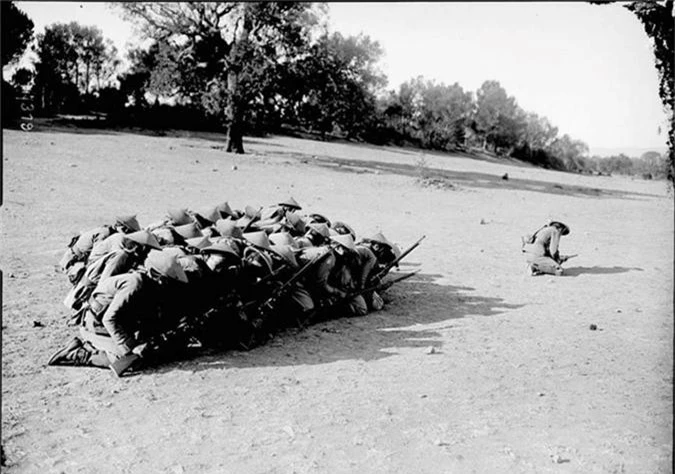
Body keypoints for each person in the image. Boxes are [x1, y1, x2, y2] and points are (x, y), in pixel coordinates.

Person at [48, 250, 188, 369]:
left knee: (151, 350)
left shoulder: (146, 283)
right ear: (156, 275)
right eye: (166, 280)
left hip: (110, 322)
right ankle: (80, 353)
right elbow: (109, 318)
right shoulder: (135, 283)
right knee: (130, 360)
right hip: (96, 324)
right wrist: (130, 348)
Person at [59, 215, 141, 284]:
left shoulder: (109, 231)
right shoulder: (105, 234)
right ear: (124, 229)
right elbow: (95, 257)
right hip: (73, 263)